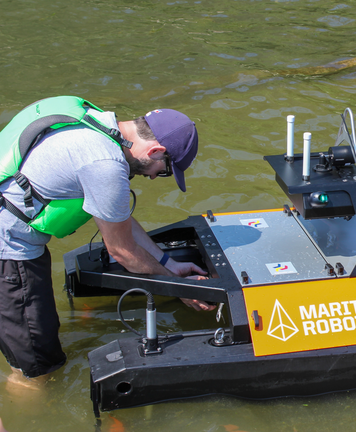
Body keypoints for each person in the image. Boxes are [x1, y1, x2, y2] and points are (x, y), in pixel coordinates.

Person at [0, 96, 216, 388]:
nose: (154, 178)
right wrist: (181, 290)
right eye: (164, 170)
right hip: (10, 249)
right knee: (38, 371)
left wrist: (169, 264)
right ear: (156, 150)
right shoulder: (106, 164)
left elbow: (118, 219)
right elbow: (122, 251)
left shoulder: (95, 121)